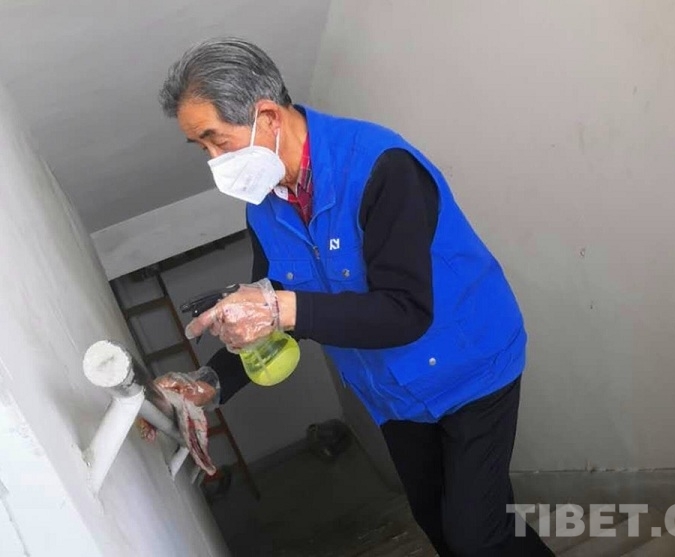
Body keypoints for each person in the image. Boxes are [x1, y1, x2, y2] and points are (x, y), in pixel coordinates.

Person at [159, 37, 552, 557]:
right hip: (392, 393)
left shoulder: (380, 167)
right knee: (439, 524)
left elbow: (405, 311)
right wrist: (209, 382)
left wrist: (281, 308)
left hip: (470, 366)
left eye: (217, 140)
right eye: (201, 148)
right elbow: (269, 308)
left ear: (267, 116)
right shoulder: (263, 208)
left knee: (476, 536)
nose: (214, 161)